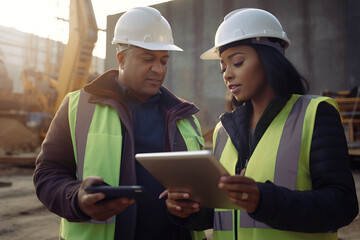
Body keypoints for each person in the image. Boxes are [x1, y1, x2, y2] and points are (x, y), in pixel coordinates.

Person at [164, 8, 359, 240]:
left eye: (237, 62)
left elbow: (342, 205)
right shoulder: (223, 131)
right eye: (223, 68)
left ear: (269, 59)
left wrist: (264, 200)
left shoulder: (315, 114)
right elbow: (219, 214)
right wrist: (188, 210)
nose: (227, 75)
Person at [33, 6, 206, 240]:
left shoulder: (184, 116)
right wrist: (76, 198)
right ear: (121, 58)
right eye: (148, 59)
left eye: (164, 60)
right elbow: (47, 173)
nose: (158, 69)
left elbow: (203, 193)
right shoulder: (77, 107)